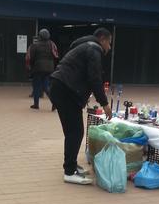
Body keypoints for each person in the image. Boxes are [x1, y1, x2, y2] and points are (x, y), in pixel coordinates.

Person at [48, 28, 113, 185]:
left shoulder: (84, 45)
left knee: (73, 131)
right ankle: (69, 172)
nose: (109, 48)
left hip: (61, 88)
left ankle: (71, 166)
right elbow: (95, 78)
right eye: (109, 43)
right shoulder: (94, 49)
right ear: (102, 39)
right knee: (75, 132)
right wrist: (104, 103)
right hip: (66, 90)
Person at [27, 29, 58, 109]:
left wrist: (31, 66)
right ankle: (54, 102)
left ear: (40, 36)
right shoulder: (52, 44)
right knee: (46, 86)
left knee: (36, 86)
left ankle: (36, 104)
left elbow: (31, 58)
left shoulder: (35, 45)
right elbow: (56, 56)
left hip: (38, 68)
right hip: (49, 68)